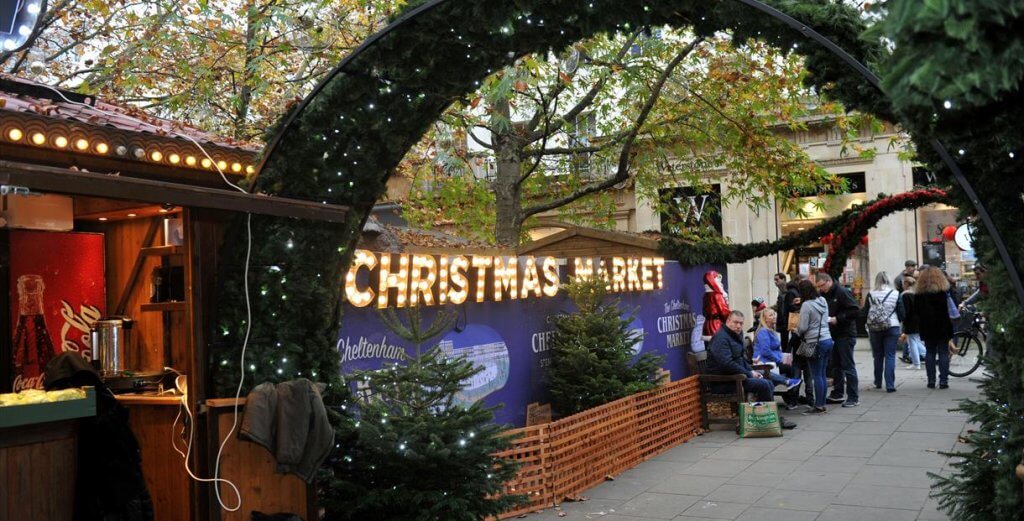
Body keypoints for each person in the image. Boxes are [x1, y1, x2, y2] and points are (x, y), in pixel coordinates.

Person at [707, 310, 797, 429]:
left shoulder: (734, 335)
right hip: (723, 381)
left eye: (741, 323)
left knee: (768, 382)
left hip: (735, 377)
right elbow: (726, 364)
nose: (738, 326)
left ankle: (767, 417)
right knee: (764, 384)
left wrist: (751, 371)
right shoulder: (721, 338)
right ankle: (769, 419)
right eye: (735, 322)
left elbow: (739, 359)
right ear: (728, 321)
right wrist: (749, 373)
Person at [815, 272, 861, 407]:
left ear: (828, 281)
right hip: (833, 334)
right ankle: (837, 393)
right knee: (836, 365)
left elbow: (855, 310)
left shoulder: (841, 292)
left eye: (822, 286)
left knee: (847, 365)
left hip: (845, 333)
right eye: (818, 287)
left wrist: (838, 318)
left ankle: (853, 396)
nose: (820, 289)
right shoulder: (824, 294)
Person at [795, 280, 833, 414]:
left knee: (816, 375)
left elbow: (803, 327)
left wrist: (795, 329)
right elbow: (826, 318)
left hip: (814, 342)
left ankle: (818, 406)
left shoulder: (806, 305)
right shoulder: (822, 300)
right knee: (822, 374)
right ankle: (822, 404)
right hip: (827, 339)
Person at [914, 267, 955, 389]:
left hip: (927, 326)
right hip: (943, 325)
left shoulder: (919, 294)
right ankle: (943, 381)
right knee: (943, 352)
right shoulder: (944, 292)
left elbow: (917, 311)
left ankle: (931, 380)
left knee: (930, 352)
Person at [752, 308, 802, 408]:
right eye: (771, 315)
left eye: (774, 314)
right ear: (765, 319)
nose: (774, 316)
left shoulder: (771, 330)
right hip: (765, 362)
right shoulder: (763, 331)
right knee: (793, 369)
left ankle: (792, 398)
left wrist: (784, 357)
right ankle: (791, 397)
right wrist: (781, 360)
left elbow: (775, 350)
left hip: (773, 360)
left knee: (794, 368)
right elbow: (765, 352)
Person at [863, 271, 901, 392]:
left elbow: (865, 311)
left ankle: (878, 382)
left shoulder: (871, 294)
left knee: (878, 356)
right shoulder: (895, 293)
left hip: (875, 328)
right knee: (890, 356)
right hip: (892, 326)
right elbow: (902, 312)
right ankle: (890, 385)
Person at [896, 275, 924, 369]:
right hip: (919, 319)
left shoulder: (905, 295)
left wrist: (902, 320)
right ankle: (924, 357)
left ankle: (917, 364)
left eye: (903, 283)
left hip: (910, 321)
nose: (902, 285)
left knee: (912, 342)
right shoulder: (917, 293)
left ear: (906, 283)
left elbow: (905, 310)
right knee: (915, 340)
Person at [702, 270, 731, 338]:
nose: (721, 284)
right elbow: (724, 312)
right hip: (717, 326)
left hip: (707, 326)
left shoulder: (706, 296)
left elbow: (704, 312)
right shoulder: (717, 295)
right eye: (719, 281)